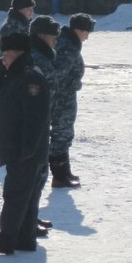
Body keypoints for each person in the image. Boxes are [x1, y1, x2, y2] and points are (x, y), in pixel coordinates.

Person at [0, 34, 50, 255]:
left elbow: (35, 118)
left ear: (16, 53)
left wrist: (27, 149)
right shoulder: (16, 74)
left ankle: (6, 239)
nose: (3, 59)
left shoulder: (30, 78)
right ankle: (24, 237)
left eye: (5, 55)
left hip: (25, 150)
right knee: (25, 195)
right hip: (20, 148)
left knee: (15, 195)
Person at [50, 12, 96, 188]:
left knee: (65, 133)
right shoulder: (68, 45)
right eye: (86, 33)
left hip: (65, 95)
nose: (87, 37)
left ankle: (64, 171)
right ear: (78, 30)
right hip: (62, 97)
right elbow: (59, 72)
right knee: (61, 134)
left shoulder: (69, 42)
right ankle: (60, 176)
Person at [29, 15, 62, 236]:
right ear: (42, 36)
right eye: (52, 36)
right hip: (33, 125)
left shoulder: (43, 54)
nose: (55, 41)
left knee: (40, 173)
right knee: (33, 173)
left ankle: (31, 217)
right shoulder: (35, 56)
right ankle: (27, 221)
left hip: (42, 121)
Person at [0, 0, 36, 64]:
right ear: (19, 10)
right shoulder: (12, 27)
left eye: (32, 9)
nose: (31, 12)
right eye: (28, 9)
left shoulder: (24, 24)